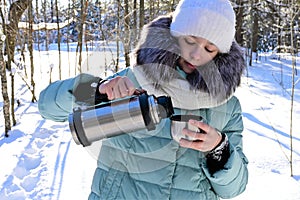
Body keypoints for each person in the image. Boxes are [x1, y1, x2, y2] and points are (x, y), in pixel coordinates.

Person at [38, 0, 249, 199]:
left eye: (209, 48)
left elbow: (234, 188)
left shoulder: (227, 107)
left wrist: (219, 149)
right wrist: (97, 90)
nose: (195, 54)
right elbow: (47, 106)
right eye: (190, 40)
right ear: (174, 37)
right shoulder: (136, 80)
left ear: (220, 53)